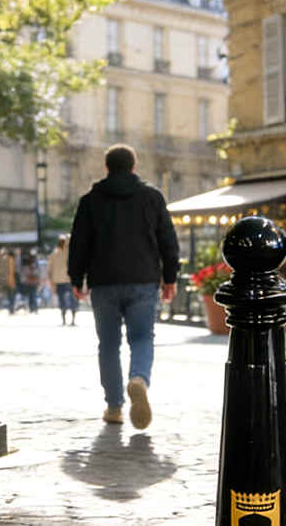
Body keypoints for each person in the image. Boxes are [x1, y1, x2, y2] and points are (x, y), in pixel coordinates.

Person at [69, 144, 179, 429]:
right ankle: (139, 378)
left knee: (108, 344)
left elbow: (79, 243)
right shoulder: (152, 197)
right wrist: (170, 278)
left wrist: (75, 278)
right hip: (143, 279)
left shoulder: (91, 200)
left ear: (107, 167)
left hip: (103, 281)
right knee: (142, 338)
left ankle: (114, 407)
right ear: (133, 166)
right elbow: (168, 240)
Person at [48, 234, 77, 326]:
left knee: (70, 300)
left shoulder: (57, 253)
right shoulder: (55, 253)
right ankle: (66, 320)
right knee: (66, 300)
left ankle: (71, 320)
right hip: (63, 281)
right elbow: (50, 269)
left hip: (66, 280)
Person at [0, 247, 17, 312]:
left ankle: (11, 308)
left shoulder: (8, 259)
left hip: (9, 280)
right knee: (9, 295)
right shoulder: (4, 259)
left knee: (10, 295)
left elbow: (12, 270)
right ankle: (10, 308)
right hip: (7, 280)